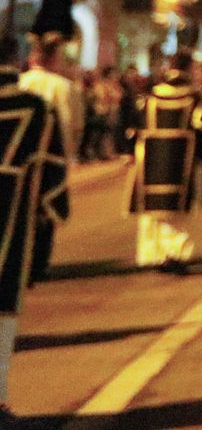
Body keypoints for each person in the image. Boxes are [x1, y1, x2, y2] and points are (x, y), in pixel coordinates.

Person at [0, 36, 67, 415]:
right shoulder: (36, 109)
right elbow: (53, 169)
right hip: (9, 214)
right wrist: (52, 208)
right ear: (16, 58)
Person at [128, 50, 202, 275]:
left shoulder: (152, 95)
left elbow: (135, 127)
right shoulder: (195, 97)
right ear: (189, 68)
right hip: (183, 159)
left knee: (154, 210)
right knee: (178, 211)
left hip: (151, 160)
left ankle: (156, 253)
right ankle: (177, 253)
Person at [20, 33, 82, 281]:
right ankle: (38, 263)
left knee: (19, 209)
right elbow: (71, 124)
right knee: (45, 211)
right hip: (49, 160)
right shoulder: (63, 87)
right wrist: (68, 156)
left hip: (17, 158)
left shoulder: (20, 82)